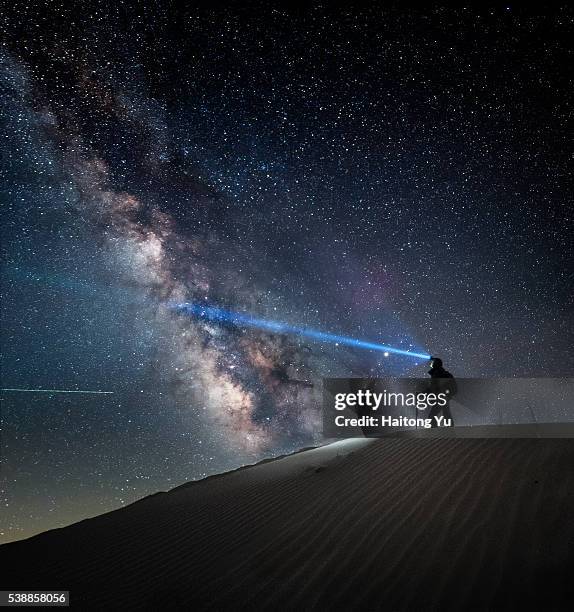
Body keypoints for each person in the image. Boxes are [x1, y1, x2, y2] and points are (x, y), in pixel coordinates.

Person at [427, 357, 457, 427]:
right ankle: (450, 432)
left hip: (441, 397)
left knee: (432, 416)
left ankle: (437, 432)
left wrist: (446, 394)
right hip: (442, 397)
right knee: (446, 414)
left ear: (435, 364)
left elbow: (434, 387)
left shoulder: (438, 374)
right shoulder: (438, 373)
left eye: (432, 362)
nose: (431, 364)